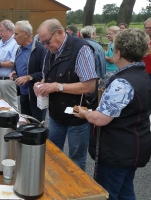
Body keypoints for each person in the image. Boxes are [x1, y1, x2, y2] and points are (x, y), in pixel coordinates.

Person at [76, 28, 151, 200]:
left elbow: (100, 119)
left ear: (118, 53)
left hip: (117, 151)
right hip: (134, 144)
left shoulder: (122, 82)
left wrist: (85, 113)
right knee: (125, 190)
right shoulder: (142, 74)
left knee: (108, 193)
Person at [34, 18, 97, 171]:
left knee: (76, 159)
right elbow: (46, 77)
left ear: (60, 33)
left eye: (47, 42)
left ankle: (76, 192)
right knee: (52, 154)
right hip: (56, 114)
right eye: (42, 43)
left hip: (78, 112)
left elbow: (90, 86)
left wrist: (57, 87)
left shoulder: (81, 49)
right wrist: (40, 84)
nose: (46, 47)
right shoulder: (51, 51)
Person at [10, 20, 47, 121]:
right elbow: (17, 64)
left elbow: (45, 73)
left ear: (26, 34)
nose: (14, 37)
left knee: (36, 125)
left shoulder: (40, 50)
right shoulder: (19, 49)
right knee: (25, 124)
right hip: (23, 94)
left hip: (36, 96)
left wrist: (28, 77)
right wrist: (14, 71)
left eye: (16, 34)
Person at [0, 19, 19, 111]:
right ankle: (0, 125)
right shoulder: (0, 42)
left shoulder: (15, 43)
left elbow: (12, 63)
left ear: (9, 30)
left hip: (7, 81)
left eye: (1, 31)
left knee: (11, 107)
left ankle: (15, 124)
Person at [80, 26, 107, 109]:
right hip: (95, 77)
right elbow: (102, 63)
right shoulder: (98, 47)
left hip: (80, 78)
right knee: (92, 102)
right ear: (93, 34)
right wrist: (102, 76)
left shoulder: (78, 45)